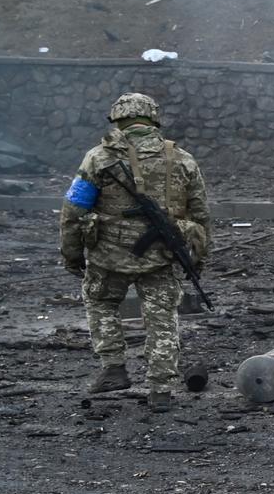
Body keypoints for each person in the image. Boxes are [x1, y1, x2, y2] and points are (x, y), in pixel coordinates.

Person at [59, 92, 210, 412]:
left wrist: (72, 255)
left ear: (117, 119)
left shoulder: (98, 158)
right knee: (162, 319)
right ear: (153, 119)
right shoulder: (182, 158)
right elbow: (200, 214)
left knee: (100, 301)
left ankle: (113, 366)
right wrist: (197, 258)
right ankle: (160, 389)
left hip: (107, 255)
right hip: (161, 256)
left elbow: (73, 210)